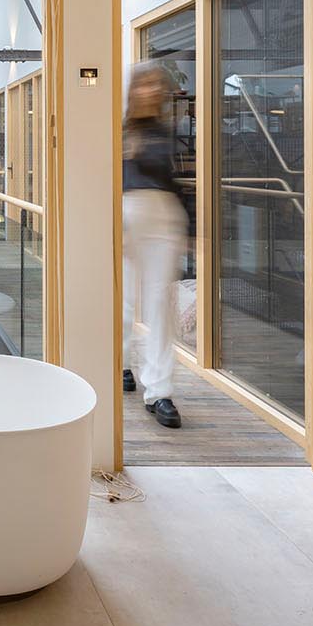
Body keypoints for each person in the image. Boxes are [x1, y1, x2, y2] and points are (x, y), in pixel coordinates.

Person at [121, 63, 189, 429]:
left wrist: (188, 228)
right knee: (125, 300)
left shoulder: (165, 132)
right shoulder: (119, 132)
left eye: (154, 85)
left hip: (164, 218)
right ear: (132, 91)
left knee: (161, 302)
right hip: (127, 217)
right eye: (142, 84)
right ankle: (121, 364)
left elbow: (172, 182)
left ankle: (160, 391)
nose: (148, 91)